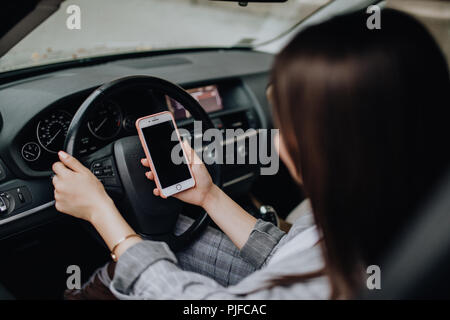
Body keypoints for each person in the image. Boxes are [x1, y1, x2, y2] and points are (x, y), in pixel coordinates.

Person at [52, 9, 450, 299]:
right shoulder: (396, 215)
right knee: (167, 235)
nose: (276, 144)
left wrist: (102, 215)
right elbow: (289, 254)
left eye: (288, 129)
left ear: (340, 147)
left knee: (115, 273)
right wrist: (208, 196)